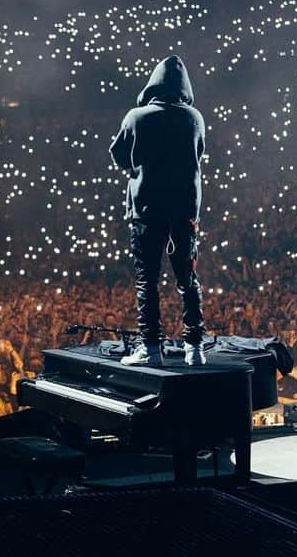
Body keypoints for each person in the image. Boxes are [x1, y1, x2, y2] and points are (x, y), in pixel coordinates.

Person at [109, 55, 207, 366]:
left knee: (147, 280)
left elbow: (120, 156)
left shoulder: (136, 117)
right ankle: (195, 347)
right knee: (187, 278)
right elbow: (199, 154)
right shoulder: (195, 118)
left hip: (148, 208)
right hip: (185, 210)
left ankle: (150, 348)